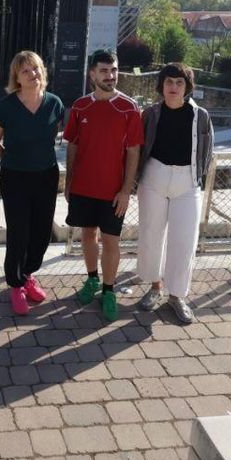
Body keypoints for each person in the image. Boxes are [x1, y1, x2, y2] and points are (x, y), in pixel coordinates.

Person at [64, 49, 144, 322]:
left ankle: (109, 291)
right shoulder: (80, 106)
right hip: (83, 187)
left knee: (111, 240)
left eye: (114, 71)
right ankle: (92, 280)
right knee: (88, 236)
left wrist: (125, 190)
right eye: (104, 71)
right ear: (92, 74)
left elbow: (134, 151)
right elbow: (72, 144)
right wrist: (69, 181)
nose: (110, 76)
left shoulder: (129, 108)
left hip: (113, 191)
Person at [135, 63, 213, 324]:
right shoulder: (150, 114)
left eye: (179, 83)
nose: (174, 87)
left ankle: (177, 295)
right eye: (169, 82)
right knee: (150, 234)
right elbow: (140, 147)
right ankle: (155, 286)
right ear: (162, 85)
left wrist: (197, 179)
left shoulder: (200, 116)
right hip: (154, 177)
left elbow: (207, 150)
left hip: (187, 181)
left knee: (184, 240)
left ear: (187, 87)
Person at [0, 51, 65, 315]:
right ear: (16, 78)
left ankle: (29, 274)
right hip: (15, 176)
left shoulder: (55, 103)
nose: (32, 74)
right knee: (19, 232)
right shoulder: (6, 106)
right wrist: (8, 158)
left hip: (46, 175)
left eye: (35, 68)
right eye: (25, 71)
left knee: (41, 232)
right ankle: (15, 284)